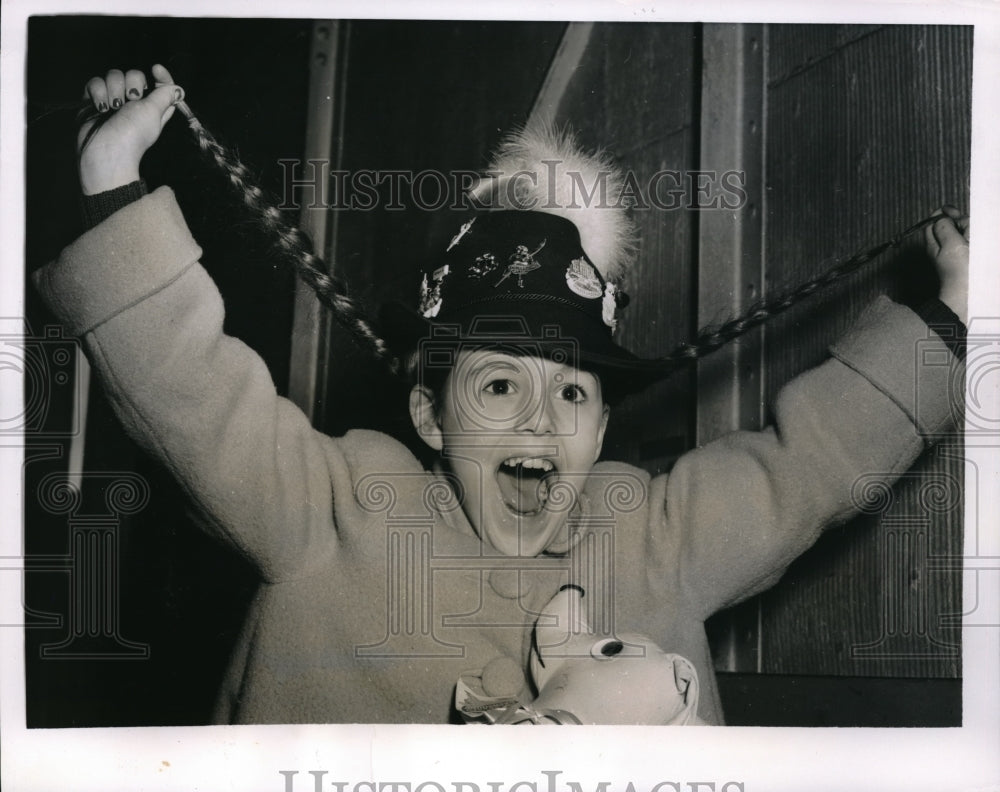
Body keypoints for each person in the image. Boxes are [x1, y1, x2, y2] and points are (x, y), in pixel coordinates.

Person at [32, 64, 969, 725]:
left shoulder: (653, 531)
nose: (539, 417)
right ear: (428, 415)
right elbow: (194, 395)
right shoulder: (333, 508)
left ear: (603, 424)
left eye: (573, 394)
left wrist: (961, 313)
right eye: (497, 384)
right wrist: (110, 180)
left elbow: (804, 468)